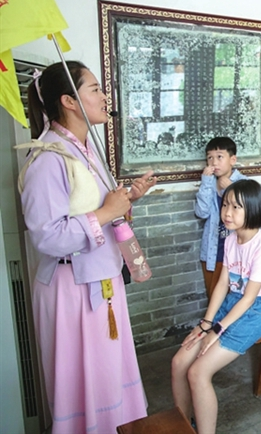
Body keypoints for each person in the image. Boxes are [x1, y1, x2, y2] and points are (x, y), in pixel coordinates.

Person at [18, 61, 155, 432]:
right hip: (72, 288)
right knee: (87, 383)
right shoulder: (48, 157)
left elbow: (95, 210)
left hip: (101, 279)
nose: (104, 96)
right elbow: (47, 236)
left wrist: (125, 201)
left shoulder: (85, 149)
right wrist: (107, 211)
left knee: (110, 375)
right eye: (94, 89)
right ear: (69, 101)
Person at [171, 179, 261, 434]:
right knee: (179, 362)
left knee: (198, 372)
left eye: (235, 207)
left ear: (253, 209)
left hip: (257, 310)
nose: (227, 213)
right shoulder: (231, 239)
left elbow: (249, 299)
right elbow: (222, 284)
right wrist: (206, 323)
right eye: (225, 205)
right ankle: (184, 425)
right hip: (233, 302)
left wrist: (217, 330)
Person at [195, 136, 247, 299]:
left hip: (237, 252)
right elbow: (201, 212)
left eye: (219, 157)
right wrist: (205, 183)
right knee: (214, 297)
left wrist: (232, 189)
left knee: (234, 297)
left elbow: (250, 215)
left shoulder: (245, 183)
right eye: (210, 158)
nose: (214, 163)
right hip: (212, 251)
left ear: (232, 160)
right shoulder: (209, 183)